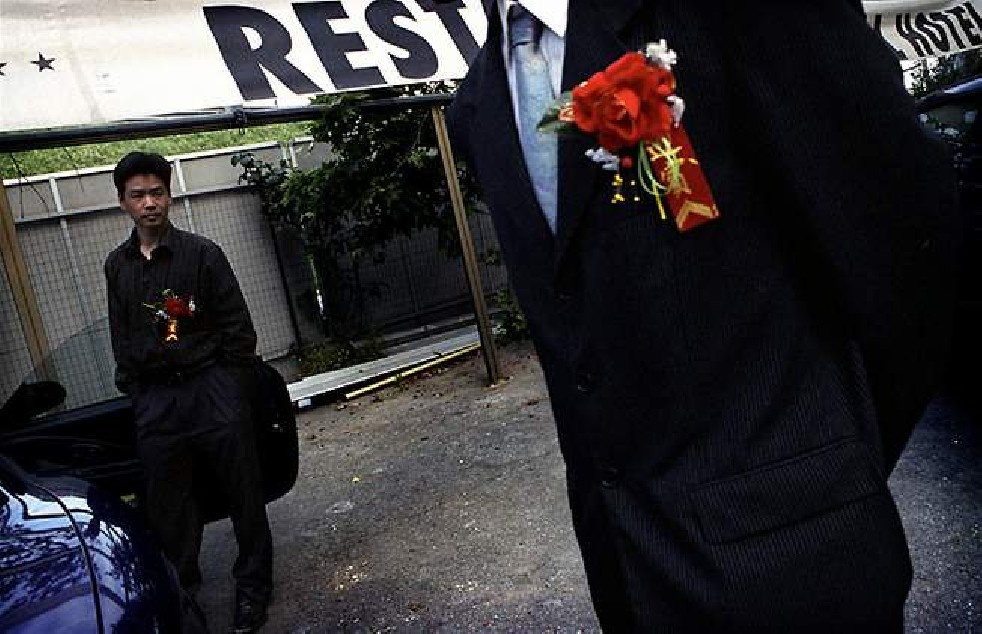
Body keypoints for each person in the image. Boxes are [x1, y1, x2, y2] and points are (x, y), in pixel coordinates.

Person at [447, 1, 960, 631]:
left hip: (801, 575)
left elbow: (908, 243)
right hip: (632, 585)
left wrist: (823, 464)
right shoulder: (478, 107)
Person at [105, 151, 273, 633]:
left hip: (210, 389)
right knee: (168, 504)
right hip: (157, 401)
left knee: (244, 493)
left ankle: (254, 588)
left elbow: (239, 331)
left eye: (157, 192)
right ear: (123, 203)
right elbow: (122, 336)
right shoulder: (117, 267)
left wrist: (228, 391)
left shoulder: (202, 254)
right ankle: (179, 586)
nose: (149, 203)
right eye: (138, 195)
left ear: (169, 196)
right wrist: (139, 395)